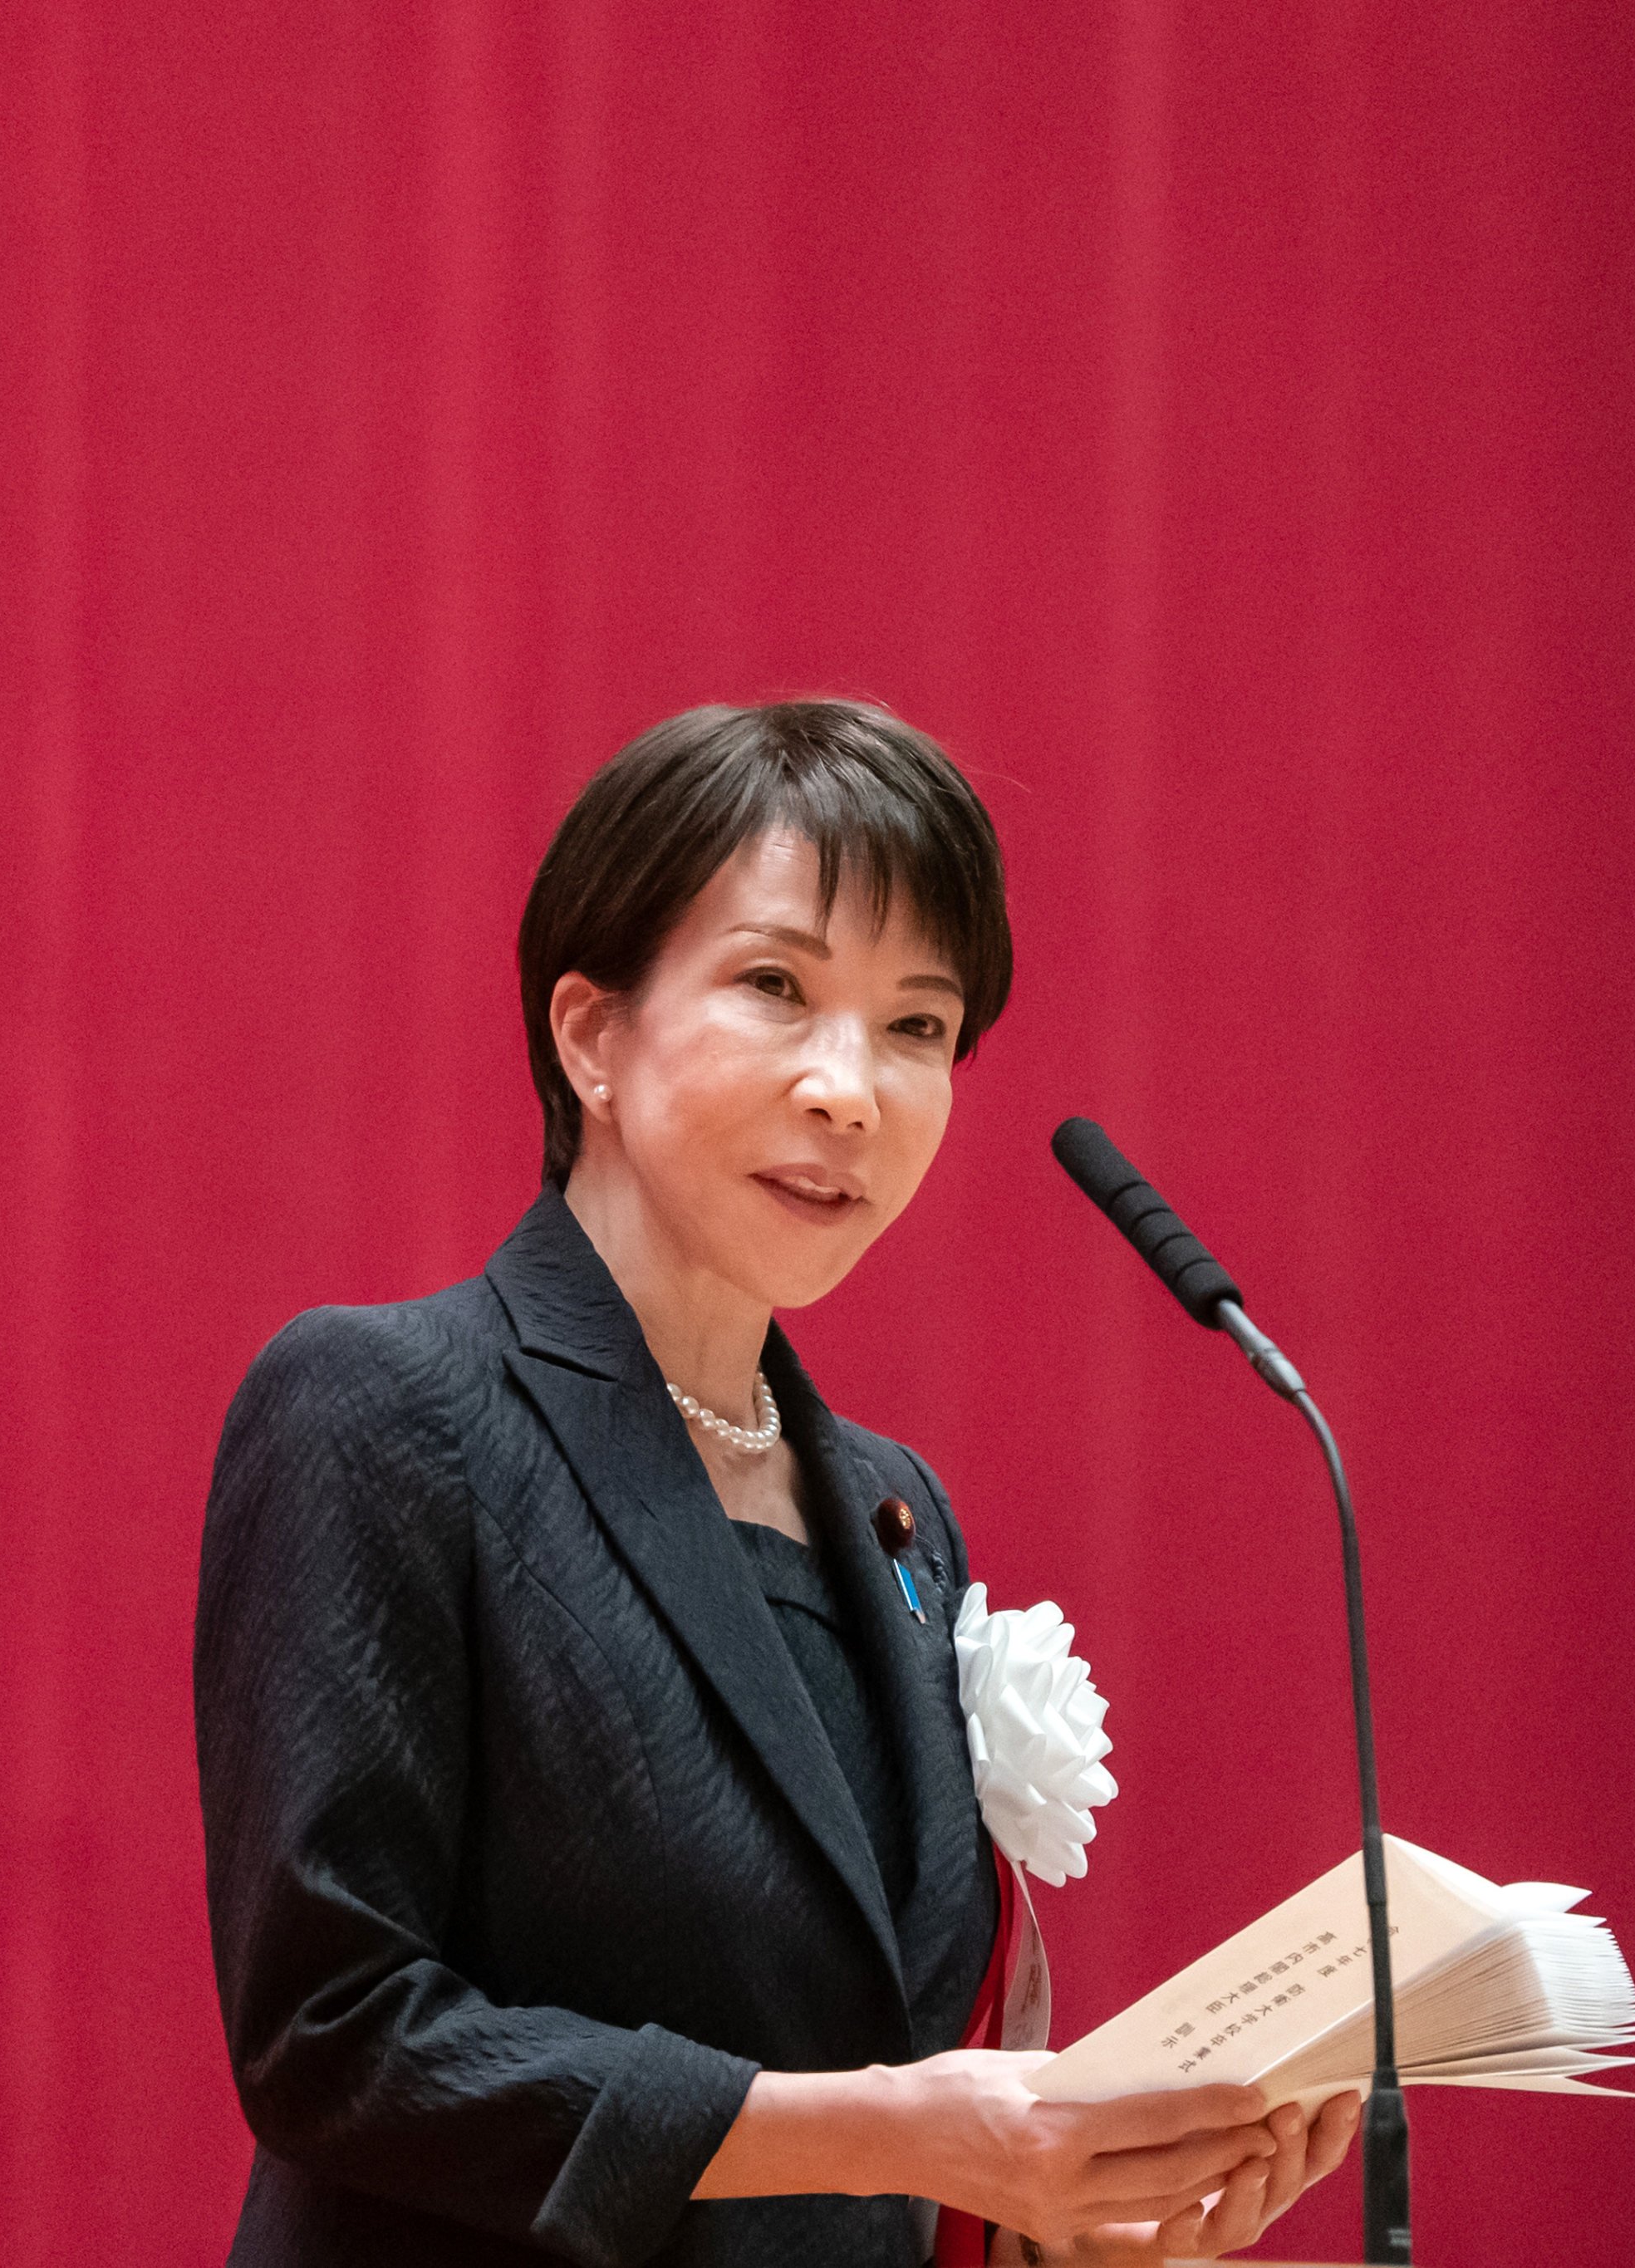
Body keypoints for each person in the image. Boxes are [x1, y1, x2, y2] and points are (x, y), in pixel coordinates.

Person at [195, 700, 1360, 2267]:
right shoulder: (390, 1410)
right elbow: (336, 2039)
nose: (850, 1088)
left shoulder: (898, 1517)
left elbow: (865, 2107)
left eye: (918, 1026)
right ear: (591, 1034)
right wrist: (901, 2128)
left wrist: (1060, 2232)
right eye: (775, 987)